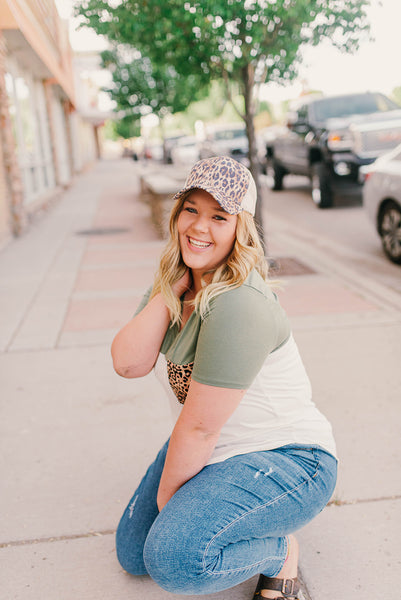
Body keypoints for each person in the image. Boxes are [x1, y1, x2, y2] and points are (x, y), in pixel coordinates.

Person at [111, 156, 338, 599]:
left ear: (242, 228)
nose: (200, 227)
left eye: (219, 216)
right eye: (191, 209)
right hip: (216, 446)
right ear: (177, 214)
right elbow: (128, 363)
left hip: (289, 459)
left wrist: (171, 510)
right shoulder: (177, 281)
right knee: (134, 554)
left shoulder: (239, 304)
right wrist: (171, 285)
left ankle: (278, 552)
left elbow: (199, 427)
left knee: (173, 560)